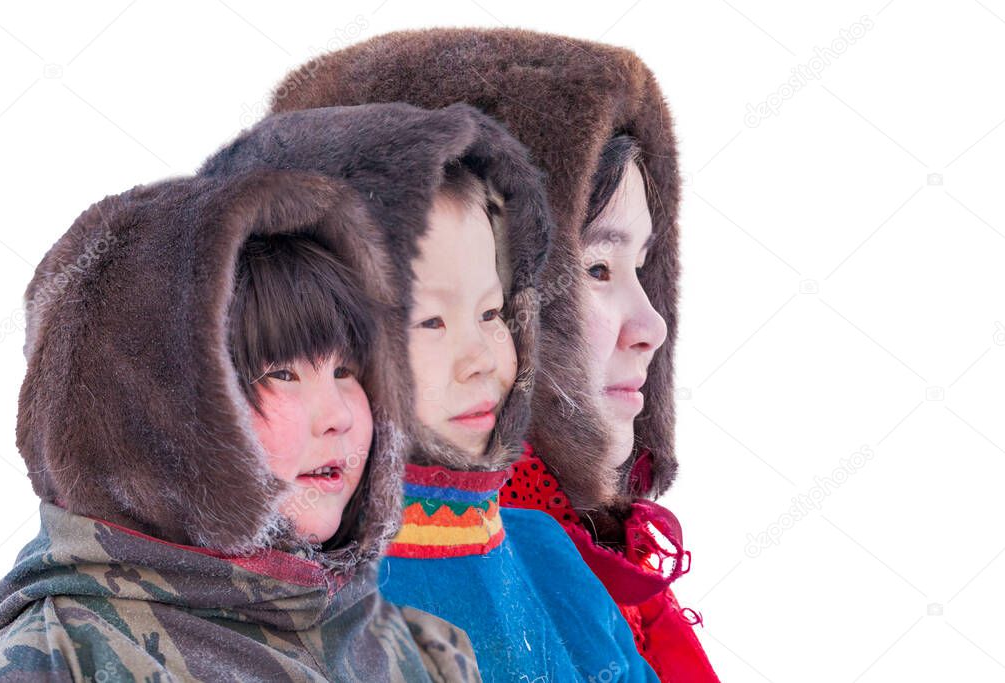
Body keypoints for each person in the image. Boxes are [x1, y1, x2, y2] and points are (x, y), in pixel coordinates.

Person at [268, 28, 720, 682]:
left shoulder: (569, 567)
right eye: (594, 267)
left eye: (642, 268)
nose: (651, 323)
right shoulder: (296, 587)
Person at [201, 101, 659, 682]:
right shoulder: (280, 598)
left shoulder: (547, 554)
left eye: (493, 312)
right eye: (431, 323)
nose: (482, 360)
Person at [0, 167, 480, 681]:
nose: (337, 416)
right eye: (281, 373)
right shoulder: (56, 663)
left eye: (346, 370)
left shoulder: (428, 653)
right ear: (153, 415)